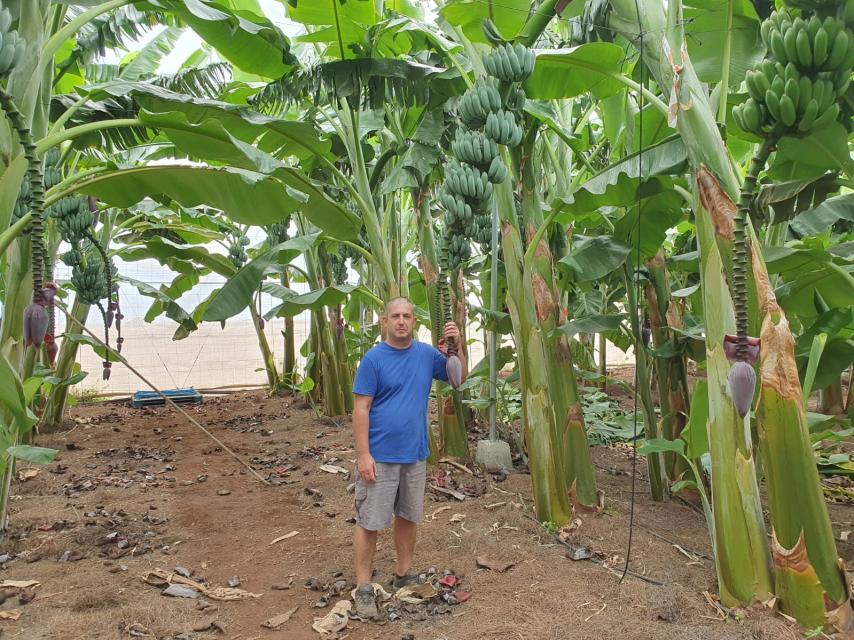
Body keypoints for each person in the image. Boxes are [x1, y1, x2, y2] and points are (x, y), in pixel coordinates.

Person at [350, 296, 465, 619]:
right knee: (370, 521)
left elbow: (458, 379)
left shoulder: (427, 355)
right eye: (395, 316)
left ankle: (403, 573)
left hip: (414, 454)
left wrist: (458, 344)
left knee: (408, 516)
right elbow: (361, 409)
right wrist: (363, 455)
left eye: (407, 316)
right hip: (381, 456)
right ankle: (362, 587)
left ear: (415, 321)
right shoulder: (373, 360)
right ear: (384, 321)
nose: (401, 321)